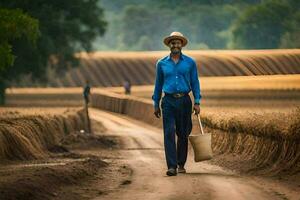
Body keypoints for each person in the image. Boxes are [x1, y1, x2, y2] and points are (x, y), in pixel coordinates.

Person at [152, 32, 201, 176]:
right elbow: (158, 84)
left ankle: (181, 164)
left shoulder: (190, 63)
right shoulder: (161, 64)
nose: (175, 45)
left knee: (183, 133)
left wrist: (197, 101)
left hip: (185, 101)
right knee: (168, 132)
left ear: (182, 45)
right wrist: (156, 103)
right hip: (168, 101)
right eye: (173, 43)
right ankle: (171, 166)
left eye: (178, 43)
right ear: (169, 45)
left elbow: (195, 82)